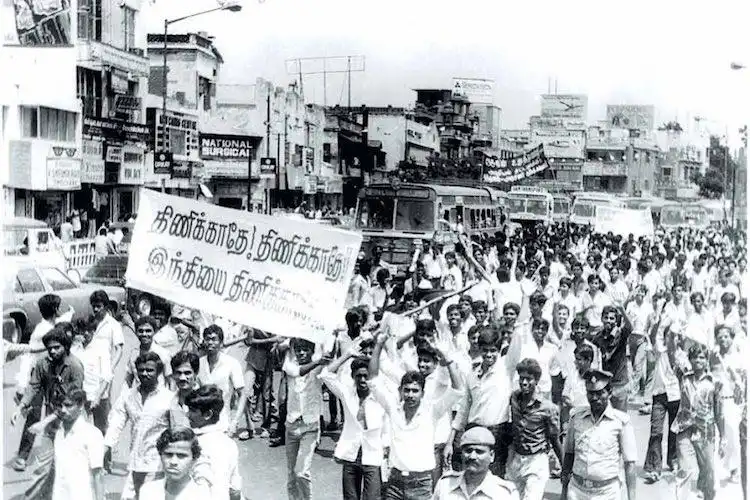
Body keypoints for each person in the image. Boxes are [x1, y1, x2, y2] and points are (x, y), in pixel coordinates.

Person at [369, 333, 463, 499]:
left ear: (422, 393)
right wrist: (378, 345)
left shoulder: (432, 411)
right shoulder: (393, 407)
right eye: (407, 390)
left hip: (421, 483)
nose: (410, 395)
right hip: (395, 482)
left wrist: (445, 357)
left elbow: (458, 390)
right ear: (401, 391)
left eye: (415, 391)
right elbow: (373, 380)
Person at [319, 339, 388, 500]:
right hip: (351, 454)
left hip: (373, 454)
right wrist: (348, 354)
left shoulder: (381, 396)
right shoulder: (347, 394)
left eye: (366, 376)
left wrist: (386, 449)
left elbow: (387, 425)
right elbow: (325, 375)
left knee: (372, 497)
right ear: (353, 377)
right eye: (359, 376)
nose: (363, 380)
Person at [104, 352, 175, 499]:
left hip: (158, 464)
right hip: (135, 461)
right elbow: (116, 423)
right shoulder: (128, 396)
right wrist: (106, 447)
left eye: (149, 370)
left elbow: (177, 431)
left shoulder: (169, 398)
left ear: (159, 372)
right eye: (141, 370)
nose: (144, 373)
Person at [561, 369, 637, 500]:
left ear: (609, 393)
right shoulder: (576, 418)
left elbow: (629, 464)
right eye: (590, 393)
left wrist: (632, 497)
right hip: (577, 491)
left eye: (599, 393)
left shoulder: (621, 422)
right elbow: (569, 455)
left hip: (607, 493)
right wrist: (564, 492)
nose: (594, 398)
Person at [670, 343, 726, 500]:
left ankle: (706, 495)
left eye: (701, 357)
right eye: (694, 357)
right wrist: (673, 336)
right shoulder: (683, 377)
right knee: (684, 469)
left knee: (707, 470)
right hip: (684, 428)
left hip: (706, 431)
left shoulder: (715, 383)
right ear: (690, 360)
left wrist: (723, 437)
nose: (698, 360)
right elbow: (671, 353)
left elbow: (719, 412)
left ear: (706, 360)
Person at [283, 337, 333, 500]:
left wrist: (329, 337)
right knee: (291, 474)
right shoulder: (289, 364)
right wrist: (318, 361)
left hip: (310, 426)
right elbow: (297, 372)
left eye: (305, 349)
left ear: (313, 350)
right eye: (298, 350)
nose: (301, 353)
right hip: (291, 425)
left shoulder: (318, 369)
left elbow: (328, 356)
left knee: (301, 472)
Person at [506, 359, 562, 500]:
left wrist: (564, 466)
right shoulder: (513, 399)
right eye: (522, 378)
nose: (524, 383)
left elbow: (555, 439)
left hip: (536, 461)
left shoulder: (547, 408)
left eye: (529, 379)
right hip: (517, 459)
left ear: (536, 380)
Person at [185, 385, 243, 500]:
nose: (188, 414)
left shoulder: (195, 445)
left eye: (193, 410)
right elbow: (235, 488)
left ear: (207, 414)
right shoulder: (229, 443)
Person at [432, 426, 519, 500]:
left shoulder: (504, 493)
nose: (472, 456)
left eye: (479, 452)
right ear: (461, 454)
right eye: (468, 451)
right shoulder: (445, 485)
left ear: (492, 456)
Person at [51, 388, 105, 500]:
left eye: (68, 405)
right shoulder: (59, 434)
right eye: (60, 406)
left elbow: (98, 475)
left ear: (80, 406)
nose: (63, 410)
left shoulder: (92, 434)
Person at [197, 324, 246, 434]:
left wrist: (235, 421)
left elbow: (242, 394)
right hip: (200, 425)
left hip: (223, 425)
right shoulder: (199, 363)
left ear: (221, 342)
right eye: (207, 339)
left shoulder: (231, 363)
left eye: (214, 339)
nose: (210, 343)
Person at [138, 428, 211, 500]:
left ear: (194, 459)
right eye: (168, 454)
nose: (173, 462)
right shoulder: (148, 491)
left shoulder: (201, 495)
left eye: (181, 456)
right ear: (160, 456)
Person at [125, 316, 172, 388]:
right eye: (140, 331)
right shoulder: (134, 353)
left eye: (148, 331)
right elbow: (128, 379)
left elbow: (170, 381)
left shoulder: (163, 353)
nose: (144, 334)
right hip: (138, 395)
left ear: (155, 331)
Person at [169, 350, 200, 427]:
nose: (182, 378)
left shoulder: (205, 399)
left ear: (195, 373)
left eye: (187, 373)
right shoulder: (170, 401)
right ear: (173, 374)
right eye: (178, 373)